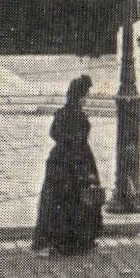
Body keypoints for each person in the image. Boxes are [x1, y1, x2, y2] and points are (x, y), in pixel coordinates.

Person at [32, 74, 104, 255]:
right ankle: (77, 240)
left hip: (59, 160)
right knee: (77, 198)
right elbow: (80, 140)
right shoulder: (79, 116)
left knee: (58, 201)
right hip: (77, 160)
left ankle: (57, 240)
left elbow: (54, 134)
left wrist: (66, 143)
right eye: (86, 95)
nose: (87, 99)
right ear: (80, 96)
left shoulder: (61, 113)